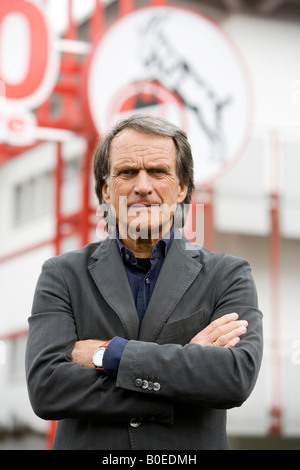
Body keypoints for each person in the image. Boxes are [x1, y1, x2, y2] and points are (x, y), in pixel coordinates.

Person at [25, 114, 263, 450]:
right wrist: (182, 377)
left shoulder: (228, 275)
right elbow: (47, 388)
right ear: (106, 190)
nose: (142, 186)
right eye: (126, 172)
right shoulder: (62, 274)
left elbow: (233, 378)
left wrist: (109, 355)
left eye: (158, 171)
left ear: (182, 188)